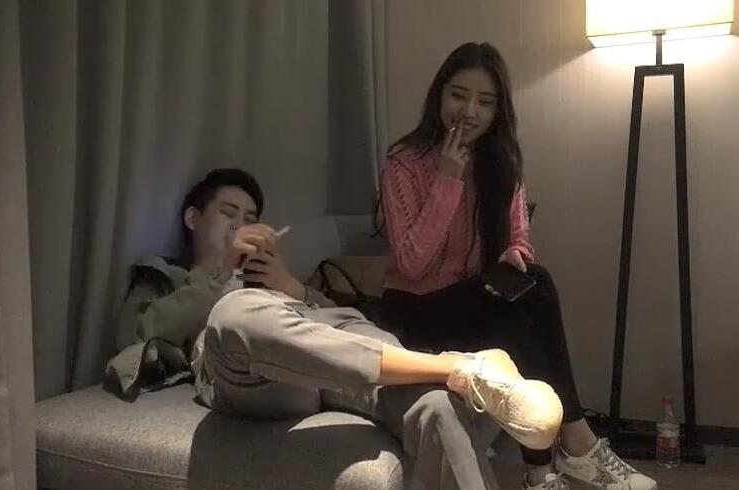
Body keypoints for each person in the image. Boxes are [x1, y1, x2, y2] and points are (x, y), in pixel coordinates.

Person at [105, 168, 565, 490]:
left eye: (251, 217)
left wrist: (292, 288)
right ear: (193, 218)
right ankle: (458, 367)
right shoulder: (165, 274)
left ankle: (460, 381)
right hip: (256, 373)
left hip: (331, 353)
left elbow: (332, 323)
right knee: (236, 312)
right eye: (229, 213)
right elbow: (137, 333)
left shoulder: (273, 278)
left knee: (436, 407)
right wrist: (220, 271)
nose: (243, 225)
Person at [374, 42, 658, 490]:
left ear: (498, 110)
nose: (469, 111)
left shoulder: (501, 163)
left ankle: (550, 464)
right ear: (438, 95)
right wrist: (447, 178)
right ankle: (569, 450)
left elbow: (519, 237)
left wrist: (516, 257)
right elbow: (411, 265)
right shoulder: (404, 164)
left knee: (533, 284)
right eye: (458, 95)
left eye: (484, 102)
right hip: (413, 312)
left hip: (473, 304)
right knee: (514, 315)